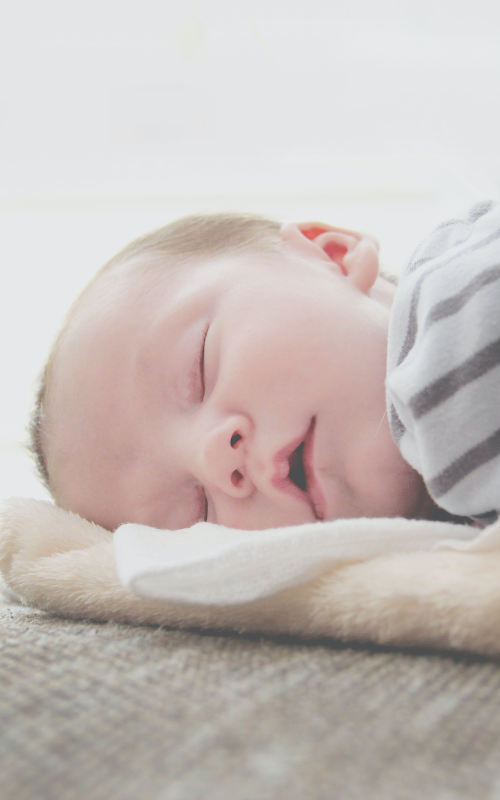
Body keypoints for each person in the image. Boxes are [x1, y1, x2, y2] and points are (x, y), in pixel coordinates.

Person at [28, 203, 494, 535]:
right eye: (198, 511)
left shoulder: (459, 304)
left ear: (331, 253)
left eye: (200, 369)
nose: (212, 458)